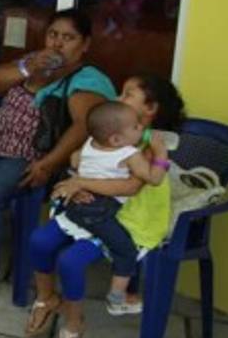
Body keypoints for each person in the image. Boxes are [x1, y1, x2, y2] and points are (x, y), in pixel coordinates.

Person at [0, 8, 116, 302]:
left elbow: (83, 126)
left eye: (68, 38)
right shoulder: (33, 63)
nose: (58, 44)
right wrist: (28, 68)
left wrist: (48, 164)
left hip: (31, 158)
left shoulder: (85, 79)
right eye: (53, 35)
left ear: (85, 44)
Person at [25, 75, 185, 338]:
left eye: (127, 94)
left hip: (121, 217)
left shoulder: (150, 145)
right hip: (86, 209)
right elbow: (78, 157)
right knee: (39, 240)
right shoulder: (113, 129)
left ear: (150, 109)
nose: (118, 98)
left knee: (70, 261)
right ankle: (46, 298)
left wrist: (83, 183)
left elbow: (133, 186)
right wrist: (82, 175)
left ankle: (74, 325)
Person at [52, 100, 166, 313]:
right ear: (116, 139)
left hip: (75, 206)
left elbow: (76, 162)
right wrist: (160, 154)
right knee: (125, 251)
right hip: (99, 212)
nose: (140, 128)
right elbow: (154, 178)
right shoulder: (128, 154)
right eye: (135, 127)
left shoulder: (90, 143)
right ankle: (116, 299)